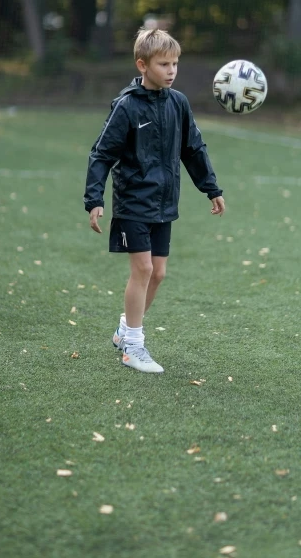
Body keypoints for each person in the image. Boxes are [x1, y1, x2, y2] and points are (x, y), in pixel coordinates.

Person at [84, 28, 225, 374]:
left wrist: (211, 188)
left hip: (164, 203)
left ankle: (124, 329)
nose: (172, 70)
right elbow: (102, 154)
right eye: (164, 63)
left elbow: (193, 149)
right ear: (142, 65)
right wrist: (94, 198)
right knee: (143, 269)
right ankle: (133, 345)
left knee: (158, 273)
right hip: (133, 202)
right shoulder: (127, 106)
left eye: (175, 63)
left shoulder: (178, 103)